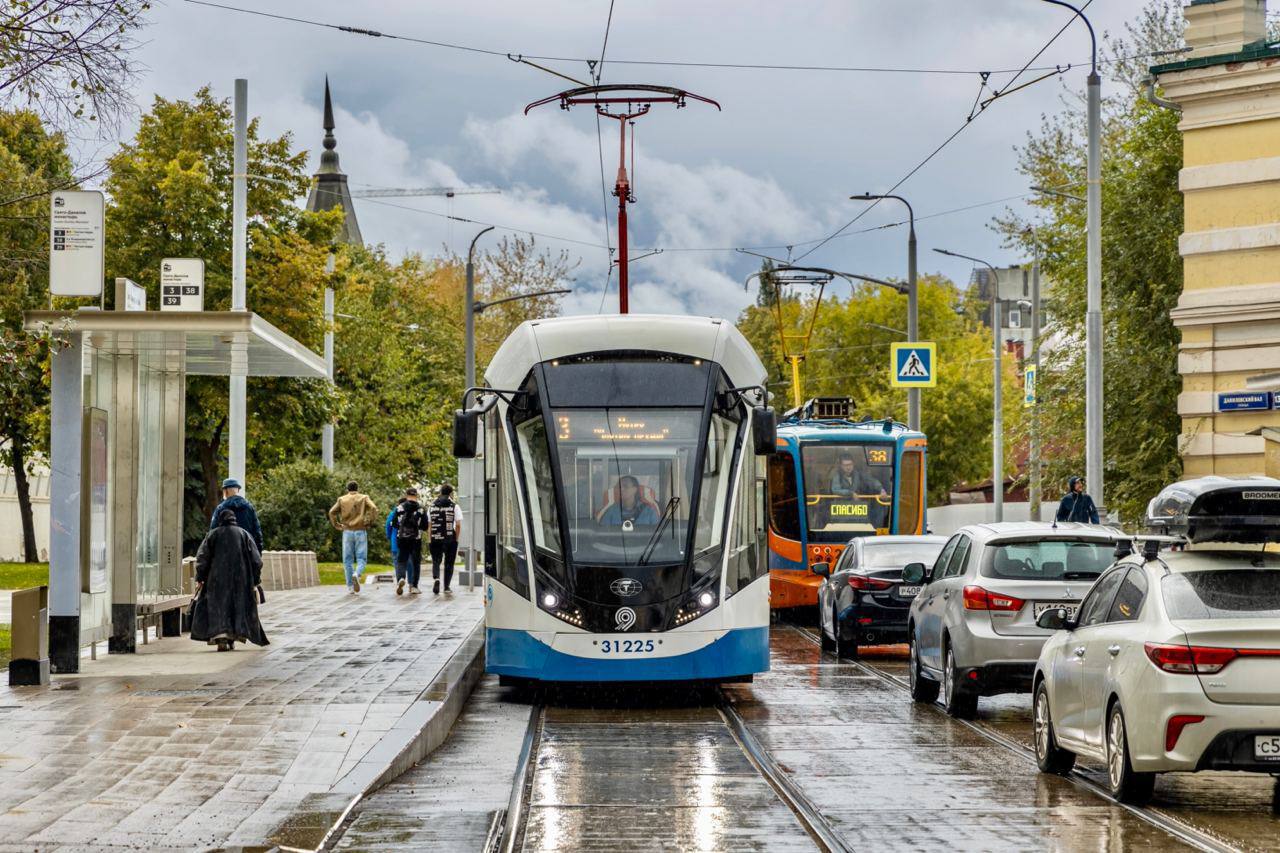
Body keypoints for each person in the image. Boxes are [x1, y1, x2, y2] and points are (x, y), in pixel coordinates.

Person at [191, 509, 269, 652]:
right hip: (241, 580)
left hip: (215, 580)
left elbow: (202, 558)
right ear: (234, 519)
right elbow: (256, 561)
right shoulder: (244, 534)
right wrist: (255, 579)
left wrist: (200, 577)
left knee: (218, 607)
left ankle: (221, 636)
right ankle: (234, 634)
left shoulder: (212, 535)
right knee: (236, 606)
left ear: (220, 519)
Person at [328, 481, 379, 594]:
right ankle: (357, 574)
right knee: (361, 558)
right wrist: (369, 522)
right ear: (357, 488)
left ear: (347, 489)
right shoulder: (364, 497)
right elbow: (374, 508)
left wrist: (336, 525)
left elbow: (331, 512)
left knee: (347, 560)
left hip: (347, 531)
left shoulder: (341, 499)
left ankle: (350, 587)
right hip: (360, 530)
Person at [428, 484, 464, 595]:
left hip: (435, 537)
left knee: (436, 561)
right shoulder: (455, 506)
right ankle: (447, 587)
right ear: (451, 494)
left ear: (440, 492)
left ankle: (436, 578)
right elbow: (458, 525)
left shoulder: (432, 506)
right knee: (449, 563)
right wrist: (456, 538)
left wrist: (430, 539)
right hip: (450, 538)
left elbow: (429, 525)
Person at [210, 478, 263, 552]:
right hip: (247, 552)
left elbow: (213, 532)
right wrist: (257, 553)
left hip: (226, 553)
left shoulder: (220, 508)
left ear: (225, 491)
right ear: (238, 490)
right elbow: (257, 533)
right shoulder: (249, 507)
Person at [391, 487, 427, 595]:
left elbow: (394, 524)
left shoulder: (399, 508)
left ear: (406, 495)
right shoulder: (421, 509)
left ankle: (401, 579)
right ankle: (414, 586)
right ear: (416, 496)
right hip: (416, 539)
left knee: (402, 560)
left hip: (402, 538)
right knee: (416, 562)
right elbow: (425, 526)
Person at [385, 493, 404, 566]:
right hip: (408, 541)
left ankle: (399, 576)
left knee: (396, 560)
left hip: (395, 541)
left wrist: (389, 536)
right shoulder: (411, 513)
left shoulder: (393, 513)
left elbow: (388, 526)